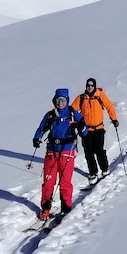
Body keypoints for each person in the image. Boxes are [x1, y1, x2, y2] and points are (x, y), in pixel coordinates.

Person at [33, 88, 85, 220]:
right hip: (51, 152)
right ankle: (45, 208)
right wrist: (37, 138)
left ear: (67, 101)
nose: (60, 103)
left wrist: (81, 128)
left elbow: (84, 130)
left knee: (65, 182)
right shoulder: (50, 115)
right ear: (54, 101)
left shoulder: (73, 114)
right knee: (48, 182)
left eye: (62, 100)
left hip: (67, 152)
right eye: (58, 100)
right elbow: (41, 128)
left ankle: (66, 208)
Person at [71, 77, 119, 184]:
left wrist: (114, 119)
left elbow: (109, 106)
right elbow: (72, 110)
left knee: (99, 150)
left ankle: (105, 169)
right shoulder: (81, 98)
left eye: (92, 85)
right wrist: (76, 121)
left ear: (95, 86)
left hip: (99, 128)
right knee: (88, 152)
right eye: (88, 85)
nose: (90, 87)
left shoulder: (100, 95)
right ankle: (93, 172)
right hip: (86, 130)